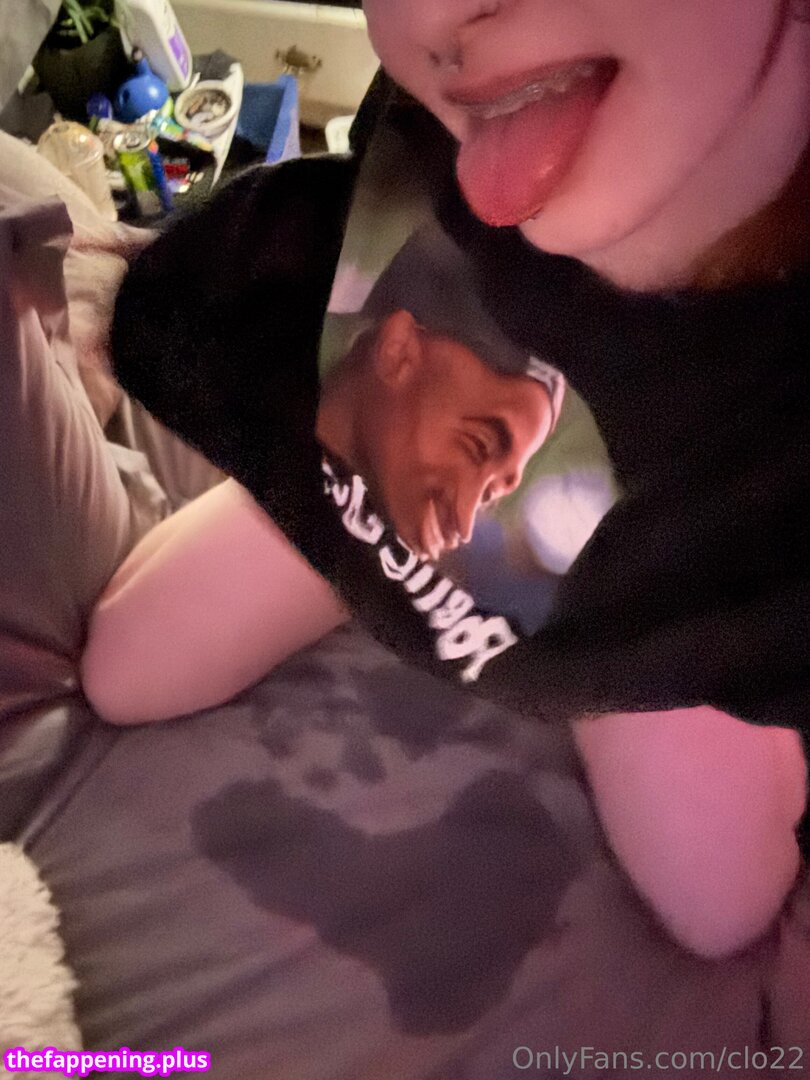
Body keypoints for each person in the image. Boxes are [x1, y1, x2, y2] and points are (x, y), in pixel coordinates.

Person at [83, 0, 810, 961]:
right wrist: (326, 476)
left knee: (722, 907)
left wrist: (608, 651)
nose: (429, 14)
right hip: (369, 462)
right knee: (123, 672)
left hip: (640, 581)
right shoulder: (454, 124)